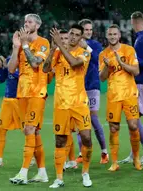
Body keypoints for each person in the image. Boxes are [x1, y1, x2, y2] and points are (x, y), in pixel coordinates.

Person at [43, 24, 93, 188]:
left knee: (86, 138)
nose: (72, 37)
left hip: (79, 103)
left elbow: (73, 63)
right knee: (60, 140)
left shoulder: (85, 53)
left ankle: (85, 172)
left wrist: (60, 46)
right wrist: (52, 49)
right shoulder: (57, 52)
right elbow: (45, 69)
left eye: (77, 35)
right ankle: (59, 178)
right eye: (71, 33)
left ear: (81, 38)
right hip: (61, 103)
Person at [8, 14, 49, 185]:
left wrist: (24, 45)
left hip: (37, 92)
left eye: (30, 21)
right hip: (22, 93)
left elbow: (35, 63)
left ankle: (23, 172)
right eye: (25, 21)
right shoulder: (21, 44)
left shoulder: (43, 43)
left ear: (38, 25)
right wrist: (15, 47)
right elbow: (11, 69)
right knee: (33, 132)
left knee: (30, 129)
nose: (26, 24)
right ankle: (42, 172)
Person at [99, 24, 142, 172]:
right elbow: (102, 78)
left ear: (119, 36)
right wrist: (106, 67)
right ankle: (115, 162)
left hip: (129, 94)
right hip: (113, 96)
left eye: (114, 34)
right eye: (109, 34)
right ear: (107, 36)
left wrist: (121, 63)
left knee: (133, 126)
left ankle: (136, 158)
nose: (112, 36)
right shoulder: (103, 54)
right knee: (113, 128)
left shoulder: (129, 50)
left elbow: (136, 71)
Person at [119, 11, 143, 165]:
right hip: (139, 80)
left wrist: (127, 63)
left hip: (141, 81)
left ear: (133, 22)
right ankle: (135, 153)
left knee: (135, 118)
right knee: (132, 119)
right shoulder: (142, 38)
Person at [75, 19, 108, 164]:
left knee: (93, 119)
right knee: (79, 121)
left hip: (93, 86)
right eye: (86, 29)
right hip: (78, 87)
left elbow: (99, 60)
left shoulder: (95, 45)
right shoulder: (74, 46)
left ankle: (104, 152)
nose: (88, 32)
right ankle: (82, 153)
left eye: (90, 29)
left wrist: (86, 47)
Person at [0, 54, 20, 168]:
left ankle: (32, 157)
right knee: (1, 129)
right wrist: (2, 67)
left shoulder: (25, 59)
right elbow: (1, 79)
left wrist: (10, 69)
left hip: (20, 99)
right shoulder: (8, 59)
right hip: (7, 99)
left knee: (27, 130)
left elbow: (24, 77)